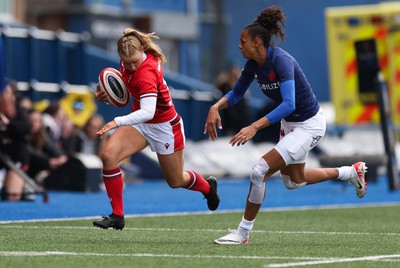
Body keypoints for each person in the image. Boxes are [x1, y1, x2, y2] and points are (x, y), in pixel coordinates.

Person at [204, 6, 367, 245]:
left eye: (243, 41)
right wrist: (216, 106)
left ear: (257, 42)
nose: (239, 46)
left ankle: (242, 233)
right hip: (291, 124)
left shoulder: (281, 61)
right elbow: (236, 94)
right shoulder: (252, 66)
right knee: (294, 181)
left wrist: (253, 127)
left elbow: (289, 103)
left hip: (309, 125)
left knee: (258, 171)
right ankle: (352, 172)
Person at [93, 28, 220, 230]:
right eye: (127, 63)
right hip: (141, 123)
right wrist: (108, 97)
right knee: (108, 156)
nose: (132, 66)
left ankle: (208, 187)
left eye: (135, 61)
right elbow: (129, 93)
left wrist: (116, 121)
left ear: (142, 50)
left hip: (164, 126)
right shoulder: (127, 58)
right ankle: (117, 215)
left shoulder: (147, 71)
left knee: (176, 180)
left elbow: (149, 112)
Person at [215, 63, 249, 136]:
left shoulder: (241, 86)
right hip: (228, 119)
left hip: (240, 119)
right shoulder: (224, 85)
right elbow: (219, 86)